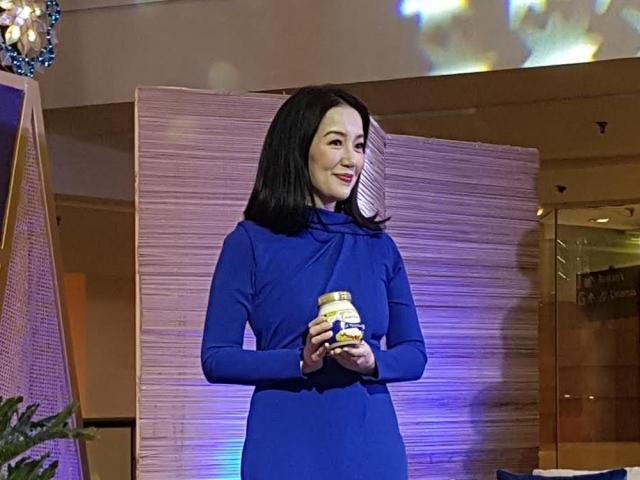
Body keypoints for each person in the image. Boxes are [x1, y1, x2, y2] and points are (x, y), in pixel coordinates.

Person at [201, 85, 426, 480]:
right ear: (298, 146)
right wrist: (300, 362)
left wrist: (372, 361)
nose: (351, 159)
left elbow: (414, 354)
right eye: (336, 142)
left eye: (359, 145)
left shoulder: (379, 247)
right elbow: (217, 357)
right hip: (285, 448)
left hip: (371, 446)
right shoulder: (249, 243)